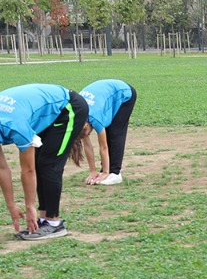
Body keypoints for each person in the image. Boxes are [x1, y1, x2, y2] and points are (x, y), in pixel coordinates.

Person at [0, 83, 90, 241]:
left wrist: (29, 207)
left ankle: (54, 224)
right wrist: (11, 205)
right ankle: (43, 221)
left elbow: (28, 171)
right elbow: (2, 168)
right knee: (40, 161)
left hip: (69, 108)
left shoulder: (16, 127)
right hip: (43, 112)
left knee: (48, 164)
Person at [80, 78, 137, 186]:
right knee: (108, 130)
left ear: (86, 124)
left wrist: (105, 173)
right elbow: (87, 146)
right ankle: (106, 169)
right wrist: (93, 171)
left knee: (115, 132)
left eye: (88, 133)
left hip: (124, 93)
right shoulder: (77, 120)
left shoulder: (94, 118)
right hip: (107, 96)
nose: (88, 135)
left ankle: (115, 173)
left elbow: (103, 147)